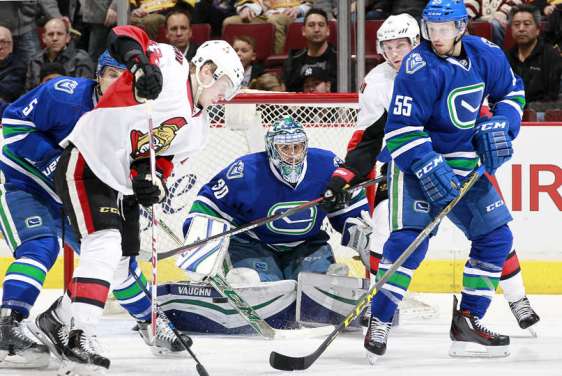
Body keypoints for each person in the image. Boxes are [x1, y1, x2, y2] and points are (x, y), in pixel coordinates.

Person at [31, 25, 243, 374]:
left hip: (121, 182)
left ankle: (57, 318)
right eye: (226, 87)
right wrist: (141, 65)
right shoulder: (172, 67)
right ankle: (80, 334)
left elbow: (161, 161)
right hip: (90, 161)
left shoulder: (199, 130)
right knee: (105, 243)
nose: (226, 97)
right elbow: (124, 33)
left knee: (118, 264)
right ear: (207, 72)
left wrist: (153, 182)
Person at [322, 0, 527, 361]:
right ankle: (380, 319)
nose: (435, 36)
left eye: (443, 29)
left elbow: (512, 93)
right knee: (407, 243)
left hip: (466, 167)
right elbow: (400, 131)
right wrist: (428, 164)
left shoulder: (487, 54)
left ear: (462, 27)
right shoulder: (417, 67)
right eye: (430, 29)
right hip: (418, 168)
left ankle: (468, 323)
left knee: (497, 238)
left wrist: (501, 124)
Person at [0, 50, 196, 370]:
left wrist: (143, 182)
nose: (118, 82)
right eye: (111, 75)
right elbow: (13, 126)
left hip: (76, 193)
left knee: (114, 260)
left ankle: (151, 323)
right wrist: (55, 163)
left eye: (126, 77)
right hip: (28, 186)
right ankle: (7, 327)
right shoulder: (63, 94)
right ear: (98, 75)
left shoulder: (134, 113)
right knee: (41, 247)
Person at [181, 117, 372, 283]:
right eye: (285, 148)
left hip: (307, 246)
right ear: (272, 149)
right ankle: (248, 282)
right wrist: (199, 248)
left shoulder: (326, 165)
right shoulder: (245, 172)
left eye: (297, 147)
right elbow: (208, 205)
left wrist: (364, 236)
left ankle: (329, 283)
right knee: (252, 282)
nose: (292, 155)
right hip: (252, 246)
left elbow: (350, 207)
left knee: (323, 282)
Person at [507, 4, 562, 108]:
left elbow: (555, 98)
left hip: (541, 116)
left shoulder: (551, 56)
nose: (521, 29)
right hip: (512, 113)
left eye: (527, 24)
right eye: (516, 24)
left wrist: (531, 109)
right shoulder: (506, 57)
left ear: (538, 29)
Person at [25, 17, 95, 90]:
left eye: (59, 34)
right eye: (50, 34)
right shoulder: (35, 60)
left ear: (67, 37)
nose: (55, 38)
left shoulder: (80, 59)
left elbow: (85, 91)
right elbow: (28, 92)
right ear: (43, 38)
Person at [223, 0, 314, 54]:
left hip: (289, 13)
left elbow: (310, 4)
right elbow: (259, 4)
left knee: (274, 21)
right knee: (229, 22)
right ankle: (227, 60)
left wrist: (299, 10)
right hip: (264, 14)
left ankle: (277, 60)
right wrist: (247, 8)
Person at [283, 8, 337, 92]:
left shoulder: (339, 58)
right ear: (303, 31)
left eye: (321, 25)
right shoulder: (293, 60)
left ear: (328, 30)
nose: (316, 29)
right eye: (311, 25)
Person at [0, 26, 26, 104]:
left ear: (11, 45)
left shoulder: (18, 67)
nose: (0, 47)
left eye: (3, 42)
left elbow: (8, 92)